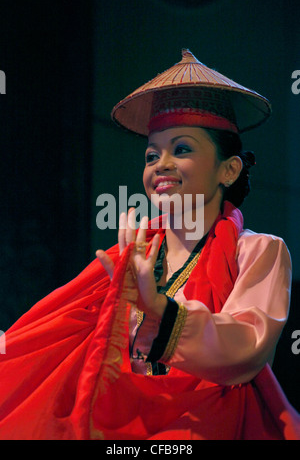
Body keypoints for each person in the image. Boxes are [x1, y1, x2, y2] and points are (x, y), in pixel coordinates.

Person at [0, 49, 299, 440]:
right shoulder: (129, 257)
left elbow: (247, 349)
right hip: (131, 425)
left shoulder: (259, 251)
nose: (161, 164)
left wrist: (158, 308)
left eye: (183, 149)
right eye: (152, 155)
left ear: (229, 169)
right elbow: (55, 342)